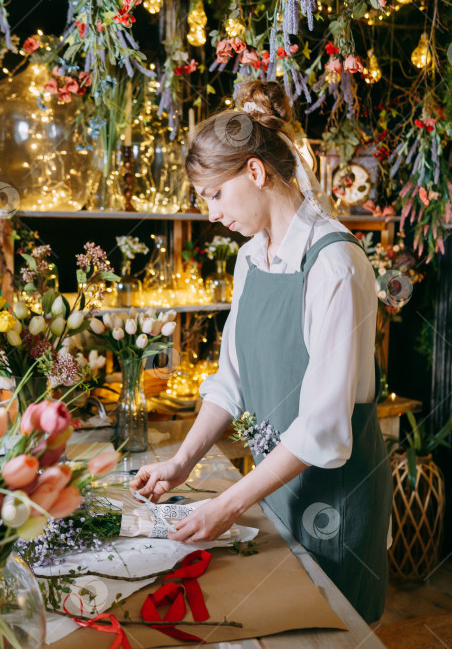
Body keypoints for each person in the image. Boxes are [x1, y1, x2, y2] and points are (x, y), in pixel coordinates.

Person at [130, 80, 393, 623]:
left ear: (255, 172)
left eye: (215, 195)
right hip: (272, 489)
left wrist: (226, 505)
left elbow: (322, 426)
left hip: (335, 502)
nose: (209, 215)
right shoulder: (250, 259)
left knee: (331, 630)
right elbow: (232, 381)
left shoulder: (336, 265)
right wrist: (183, 462)